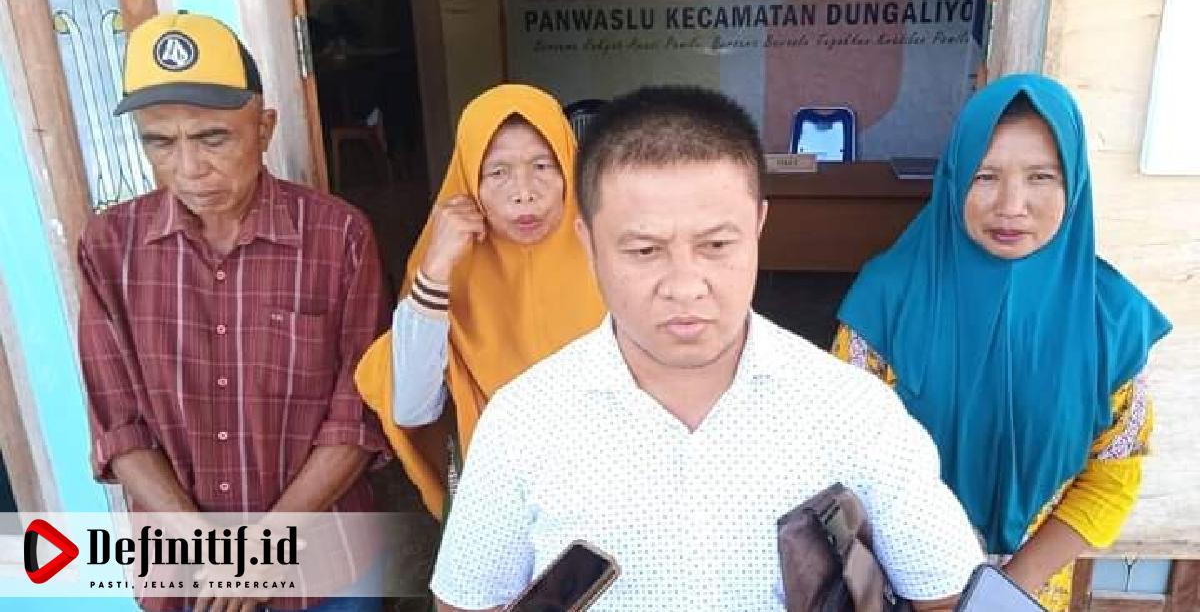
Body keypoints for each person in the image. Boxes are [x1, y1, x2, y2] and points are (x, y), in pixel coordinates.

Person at [428, 86, 984, 611]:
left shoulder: (852, 410)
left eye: (716, 244)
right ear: (589, 244)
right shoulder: (524, 421)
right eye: (645, 251)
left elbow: (947, 592)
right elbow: (468, 602)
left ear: (758, 225)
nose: (685, 286)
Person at [78, 12, 390, 612]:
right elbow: (119, 428)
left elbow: (357, 416)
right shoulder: (109, 248)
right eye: (160, 142)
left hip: (324, 567)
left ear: (264, 127)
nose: (189, 168)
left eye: (213, 138)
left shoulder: (339, 237)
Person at [833, 74, 1172, 611]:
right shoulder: (886, 302)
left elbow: (1112, 477)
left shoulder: (1111, 319)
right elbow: (842, 459)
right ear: (954, 178)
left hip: (1029, 591)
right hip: (899, 588)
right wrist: (936, 590)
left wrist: (1004, 591)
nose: (1012, 205)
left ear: (1074, 183)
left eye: (1041, 177)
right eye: (985, 176)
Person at [354, 84, 605, 518]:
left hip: (610, 503)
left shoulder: (616, 256)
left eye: (542, 165)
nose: (523, 192)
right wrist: (436, 270)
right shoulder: (444, 270)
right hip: (498, 513)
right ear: (469, 181)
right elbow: (412, 407)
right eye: (498, 172)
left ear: (570, 166)